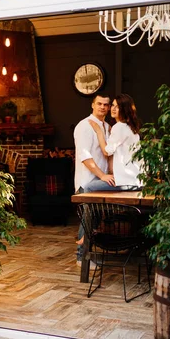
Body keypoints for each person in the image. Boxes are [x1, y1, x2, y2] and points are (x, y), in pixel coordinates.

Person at [73, 94, 115, 265]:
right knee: (88, 219)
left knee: (94, 220)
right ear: (92, 105)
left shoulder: (107, 126)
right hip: (88, 181)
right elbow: (85, 156)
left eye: (106, 104)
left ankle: (85, 256)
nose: (103, 107)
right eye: (99, 103)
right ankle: (80, 257)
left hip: (102, 182)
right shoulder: (84, 126)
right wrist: (102, 175)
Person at [90, 93, 142, 190]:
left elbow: (106, 152)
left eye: (118, 107)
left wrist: (99, 132)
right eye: (113, 105)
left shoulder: (119, 127)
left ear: (124, 109)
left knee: (89, 187)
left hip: (126, 181)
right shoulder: (131, 127)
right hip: (136, 180)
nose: (113, 109)